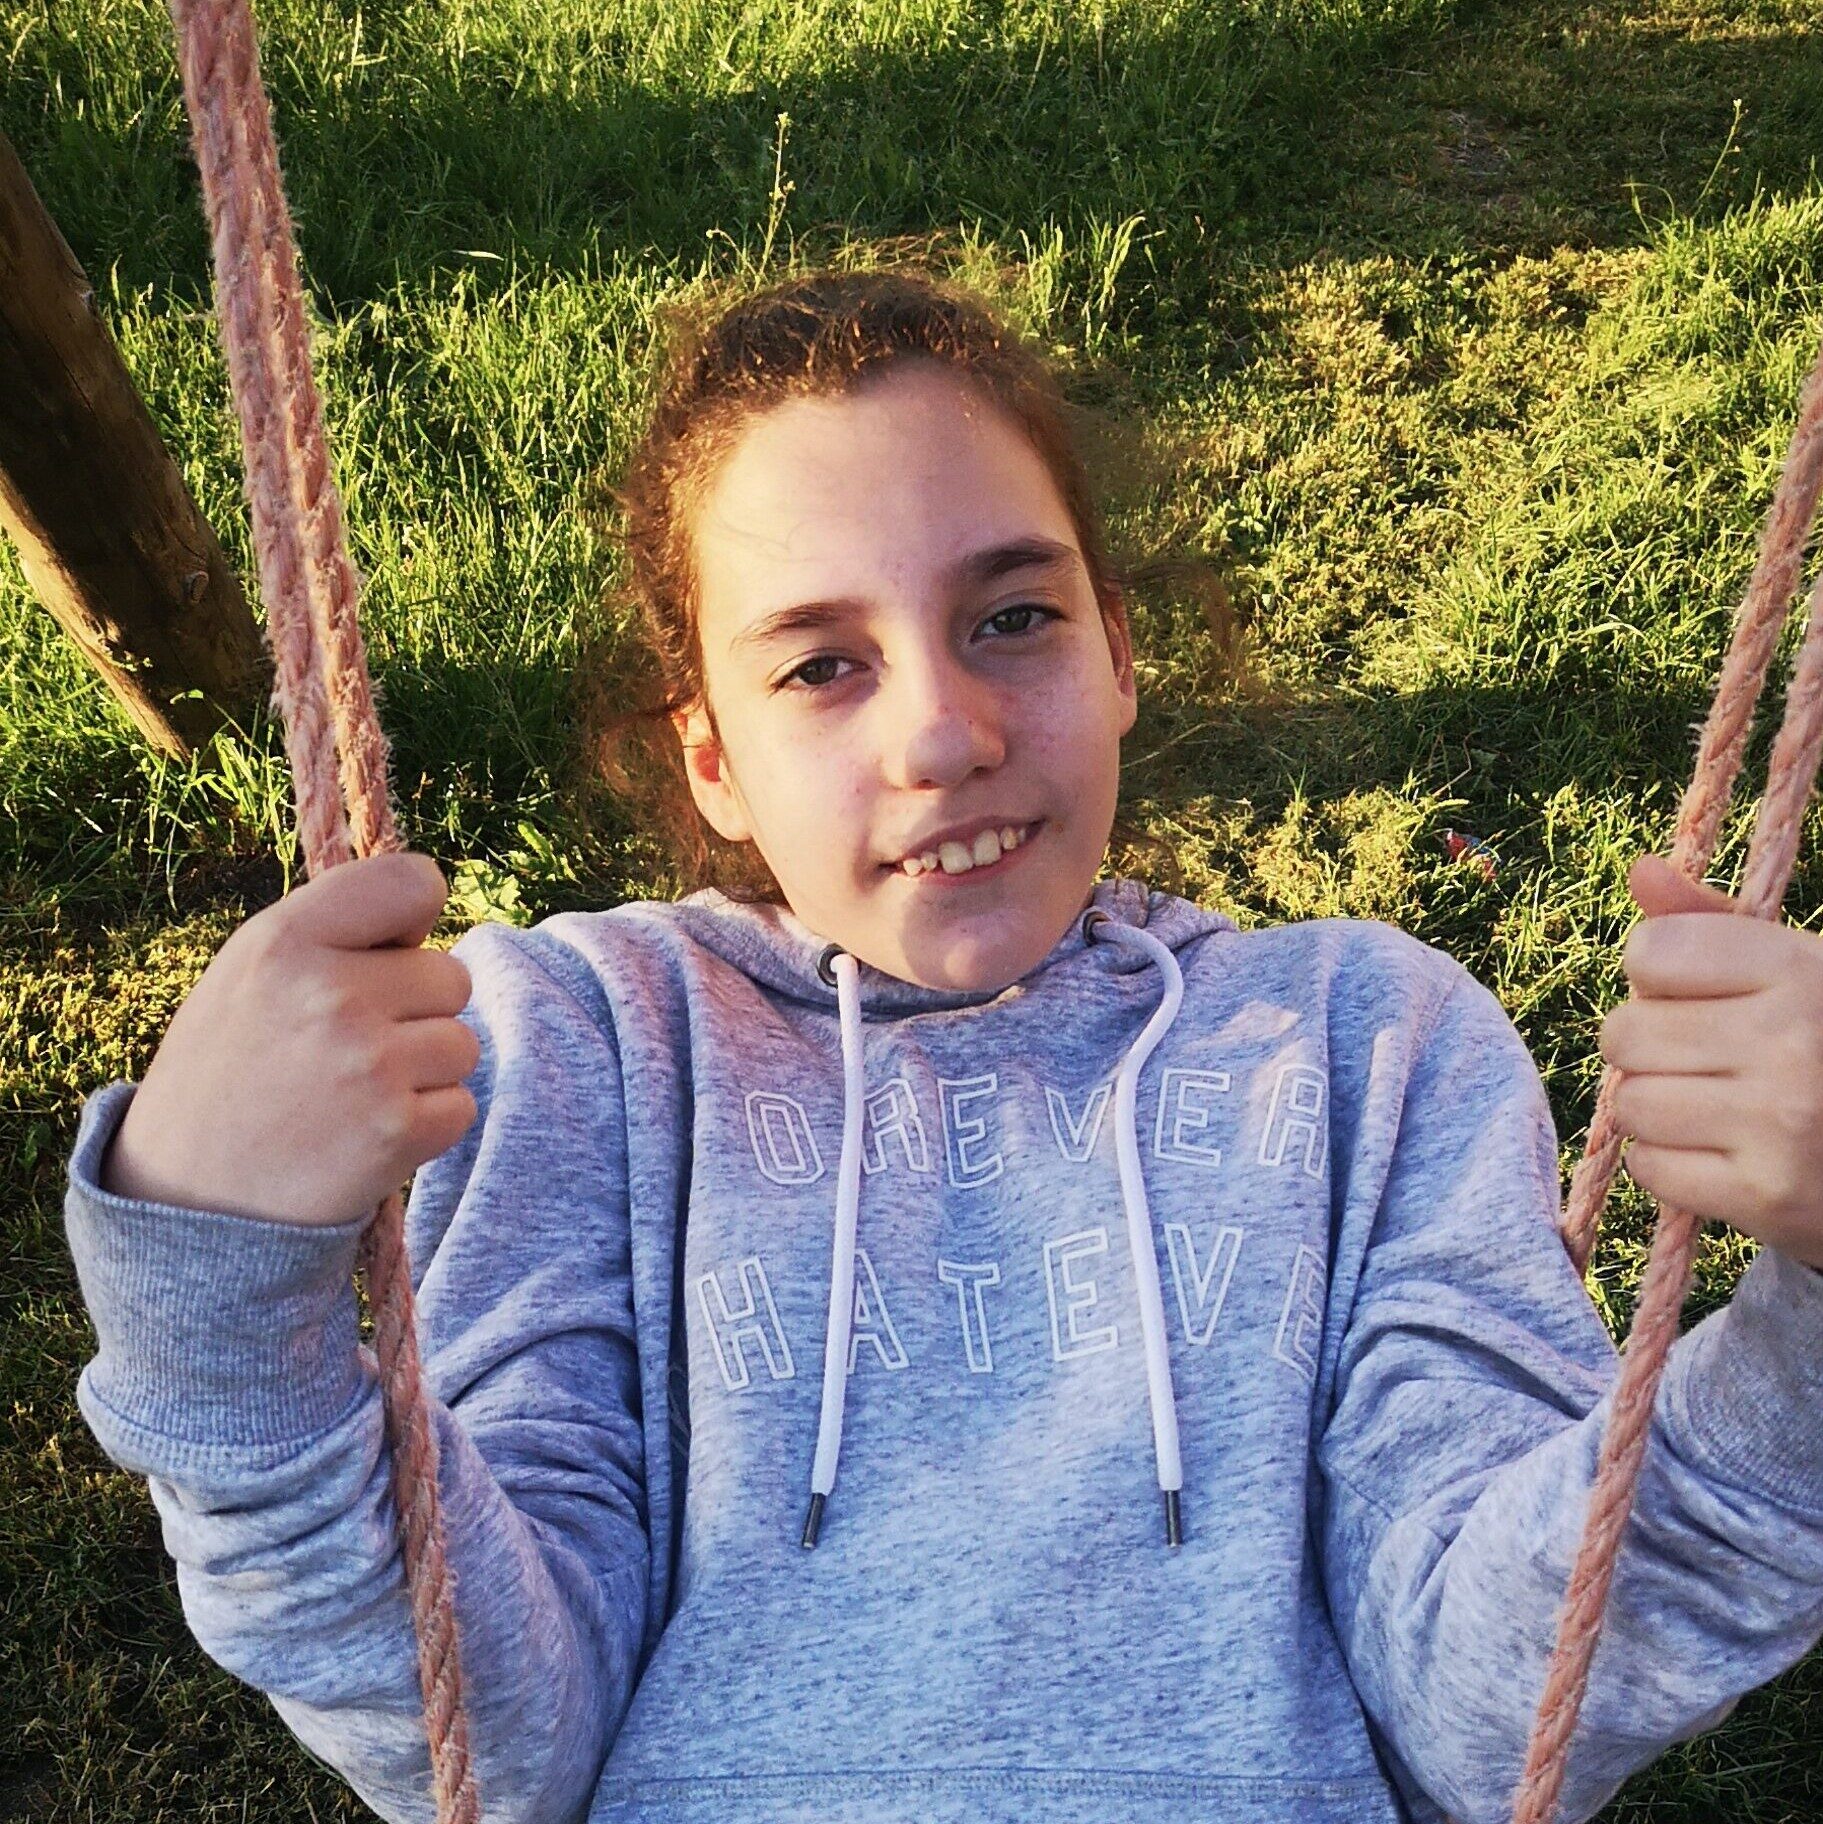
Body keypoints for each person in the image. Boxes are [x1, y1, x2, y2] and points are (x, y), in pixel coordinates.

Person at [62, 269, 1823, 1824]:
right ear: (712, 760)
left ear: (1118, 650)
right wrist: (214, 1297)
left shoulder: (1370, 1044)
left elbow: (1502, 1713)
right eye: (820, 667)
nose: (943, 731)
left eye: (1012, 618)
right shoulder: (593, 1047)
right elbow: (498, 1741)